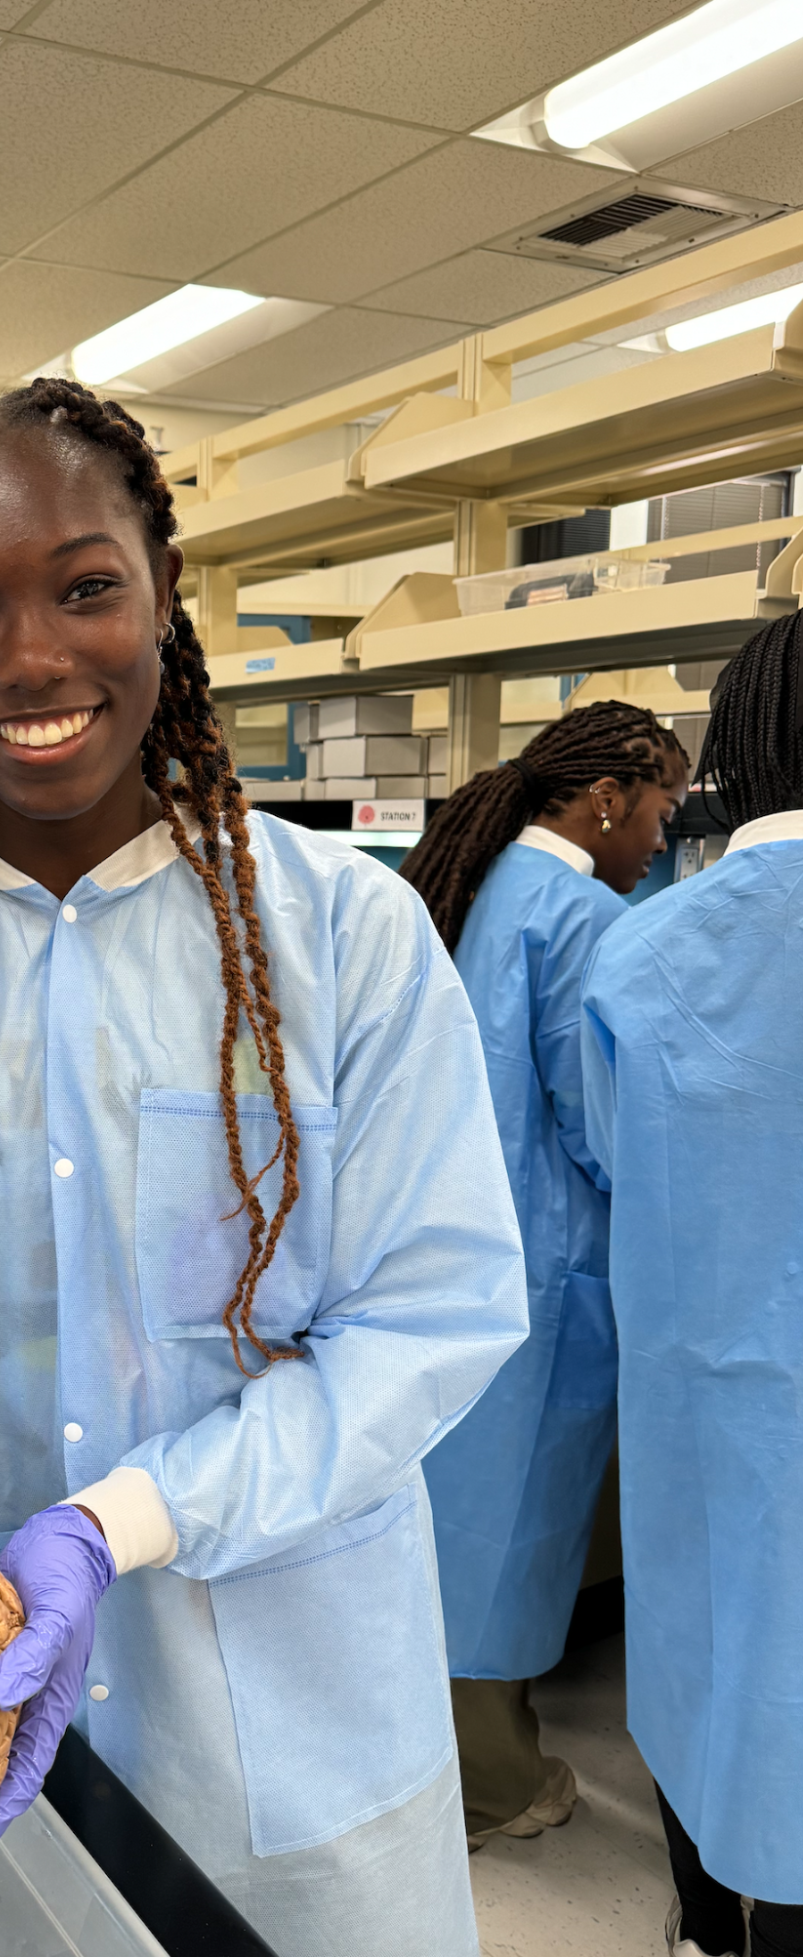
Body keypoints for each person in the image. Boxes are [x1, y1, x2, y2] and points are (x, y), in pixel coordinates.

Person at [0, 382, 529, 1957]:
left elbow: (428, 1318)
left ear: (165, 598)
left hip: (294, 1707)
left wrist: (116, 1525)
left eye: (84, 586)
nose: (28, 657)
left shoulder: (341, 936)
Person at [401, 702, 687, 1852]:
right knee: (510, 1519)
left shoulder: (470, 887)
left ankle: (438, 1750)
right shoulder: (580, 914)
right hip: (541, 1271)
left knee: (447, 1514)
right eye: (661, 808)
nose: (660, 840)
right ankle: (494, 1781)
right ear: (607, 795)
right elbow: (602, 1121)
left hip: (440, 1259)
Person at [581, 615, 803, 1957]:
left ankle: (713, 1933)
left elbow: (616, 1157)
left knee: (711, 1646)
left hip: (705, 1388)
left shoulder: (642, 953)